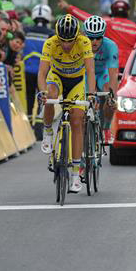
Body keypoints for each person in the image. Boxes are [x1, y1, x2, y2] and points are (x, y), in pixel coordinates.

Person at [37, 14, 96, 194]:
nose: (66, 45)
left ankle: (76, 175)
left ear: (76, 37)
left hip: (77, 81)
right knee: (50, 95)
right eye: (63, 41)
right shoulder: (50, 43)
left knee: (77, 120)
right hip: (57, 77)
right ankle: (47, 131)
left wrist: (91, 95)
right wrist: (42, 93)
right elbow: (42, 73)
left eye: (70, 41)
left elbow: (90, 71)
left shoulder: (84, 42)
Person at [58, 0, 136, 72]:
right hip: (129, 67)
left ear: (113, 10)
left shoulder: (108, 22)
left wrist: (68, 7)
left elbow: (87, 18)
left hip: (110, 64)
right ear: (127, 11)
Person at [83, 15, 119, 142]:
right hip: (86, 74)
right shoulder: (79, 45)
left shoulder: (110, 46)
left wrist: (113, 96)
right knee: (86, 98)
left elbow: (113, 73)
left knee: (108, 94)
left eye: (98, 38)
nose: (94, 42)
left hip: (103, 73)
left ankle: (106, 128)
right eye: (91, 38)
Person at [23, 4, 54, 132]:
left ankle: (29, 125)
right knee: (42, 98)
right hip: (43, 72)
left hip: (27, 71)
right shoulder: (51, 34)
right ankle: (39, 128)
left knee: (29, 98)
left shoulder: (26, 31)